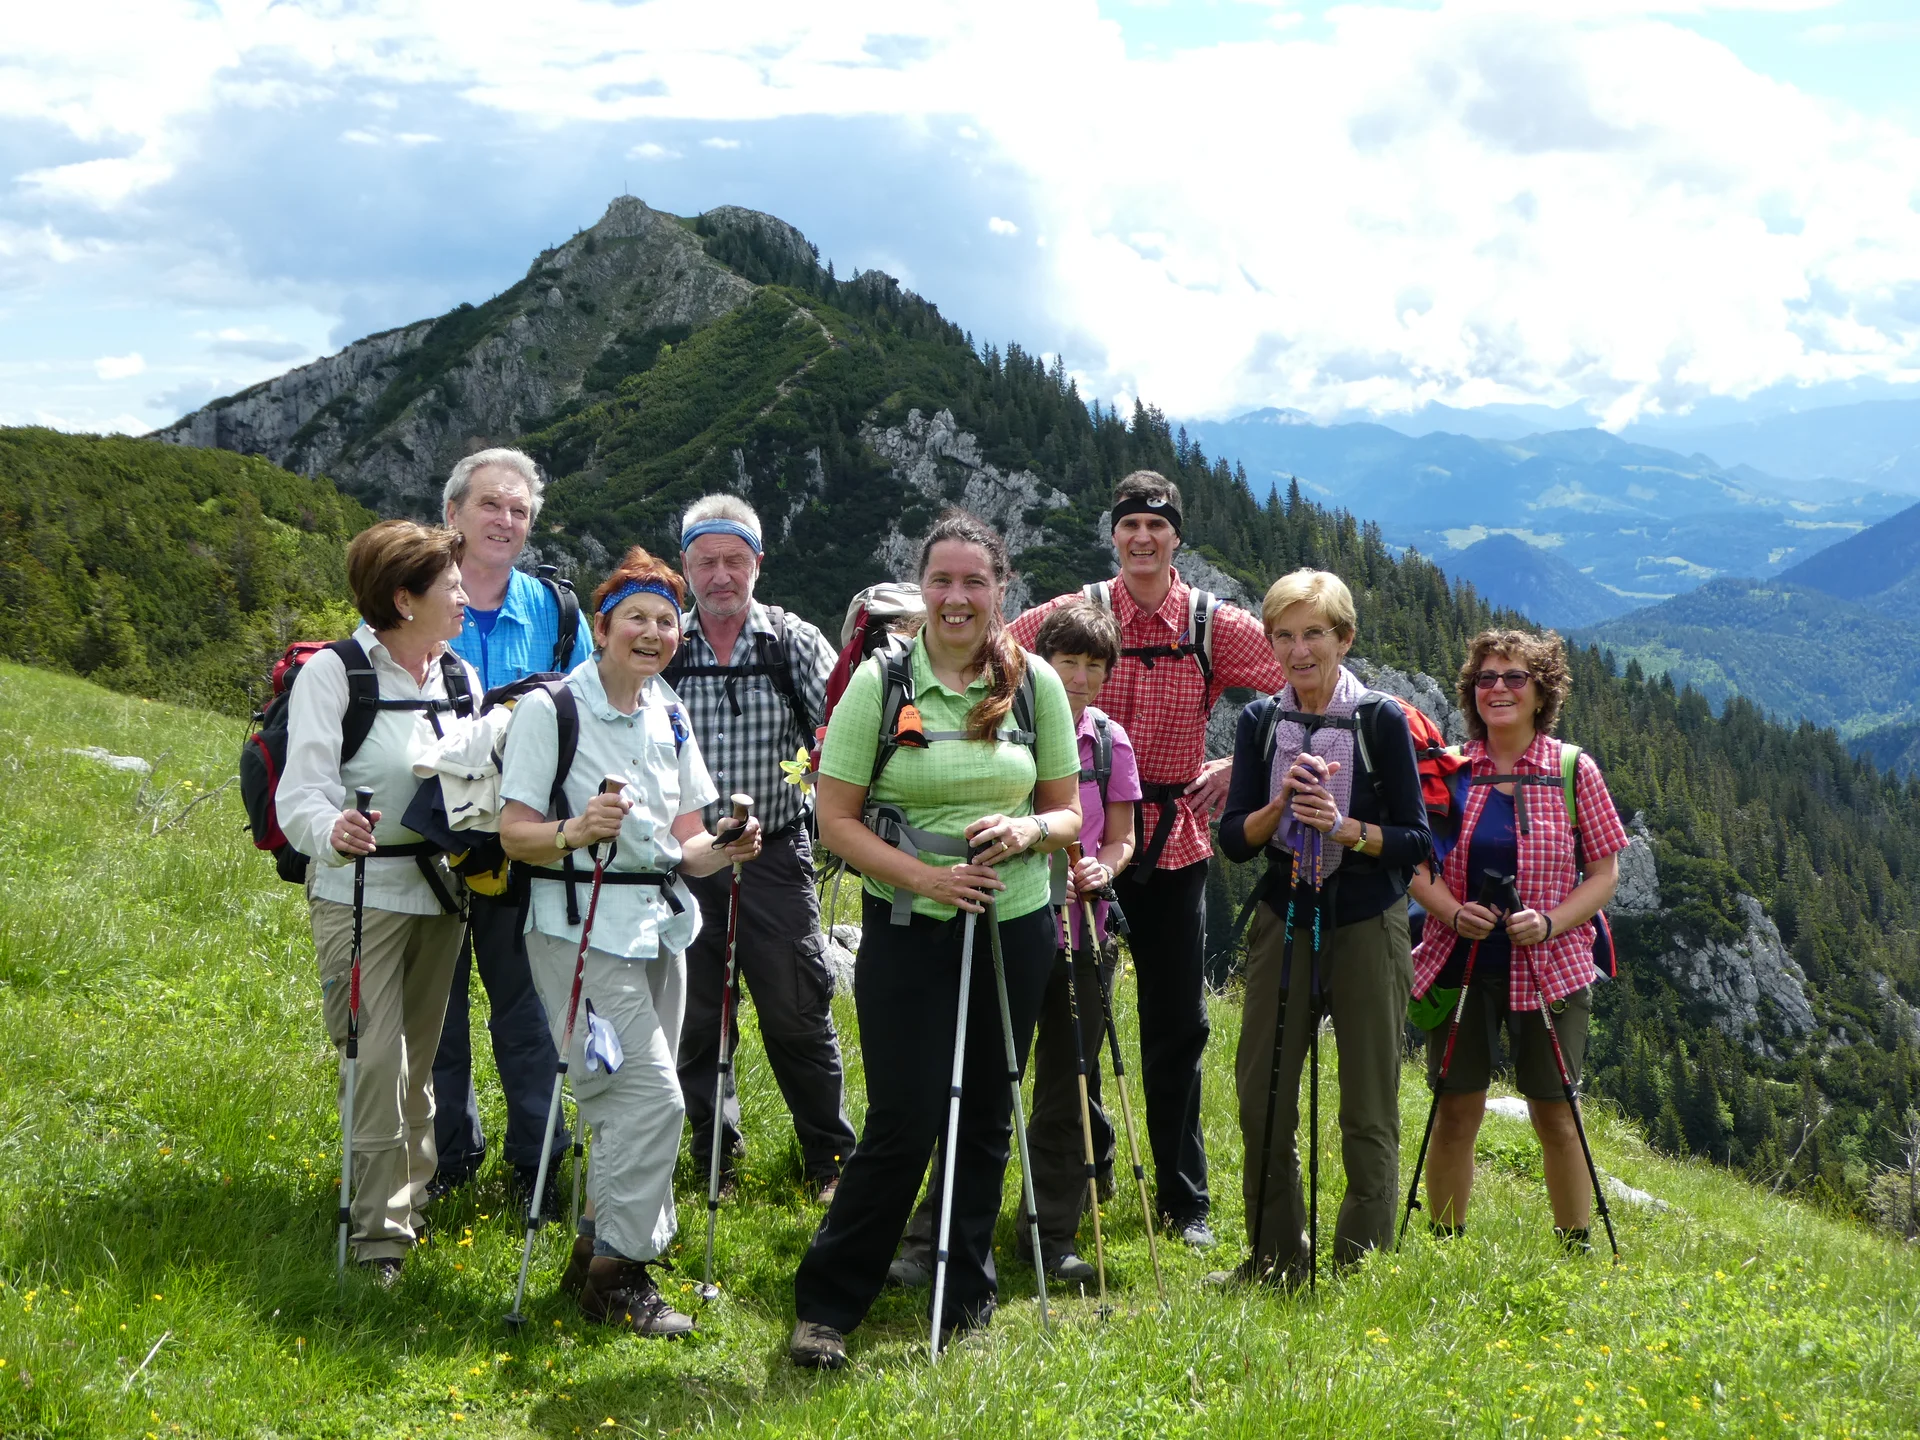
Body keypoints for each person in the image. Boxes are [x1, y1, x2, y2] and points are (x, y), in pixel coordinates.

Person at [787, 510, 1082, 1370]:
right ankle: (828, 1305)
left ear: (1002, 589)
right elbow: (833, 820)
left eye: (974, 582)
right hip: (910, 923)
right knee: (906, 1118)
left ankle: (966, 1298)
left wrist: (1029, 835)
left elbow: (1066, 809)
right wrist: (928, 879)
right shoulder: (880, 686)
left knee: (987, 1114)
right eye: (942, 582)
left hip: (1016, 922)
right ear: (922, 588)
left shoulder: (1036, 686)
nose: (957, 598)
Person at [1010, 470, 1283, 1248]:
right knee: (1070, 1022)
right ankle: (1079, 1171)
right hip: (1073, 843)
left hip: (1174, 842)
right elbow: (988, 657)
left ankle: (1184, 1201)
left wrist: (1240, 764)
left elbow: (1305, 686)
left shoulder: (1210, 622)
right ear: (1114, 533)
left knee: (1178, 1027)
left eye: (1156, 527)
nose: (1142, 538)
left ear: (1176, 537)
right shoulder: (1074, 615)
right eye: (1129, 525)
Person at [497, 545, 763, 1337]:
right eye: (636, 619)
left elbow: (687, 843)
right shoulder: (553, 710)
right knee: (650, 1099)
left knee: (618, 1099)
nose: (652, 633)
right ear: (603, 627)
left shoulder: (668, 711)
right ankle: (619, 1277)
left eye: (665, 622)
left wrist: (732, 845)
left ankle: (592, 1252)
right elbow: (515, 835)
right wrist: (579, 829)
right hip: (579, 931)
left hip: (660, 929)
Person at [887, 600, 1141, 1287]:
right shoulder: (1004, 723)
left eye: (1095, 665)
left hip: (1083, 931)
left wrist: (1105, 867)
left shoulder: (1112, 743)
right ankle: (930, 1233)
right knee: (971, 1082)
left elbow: (1121, 835)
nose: (1082, 678)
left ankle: (1049, 1235)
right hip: (1009, 919)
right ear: (1038, 666)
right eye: (1069, 663)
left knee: (1068, 1084)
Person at [1210, 569, 1431, 1286]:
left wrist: (1343, 828)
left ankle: (1360, 1267)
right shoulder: (1259, 722)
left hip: (1368, 919)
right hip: (1285, 913)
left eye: (1314, 634)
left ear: (1345, 638)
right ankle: (1275, 1260)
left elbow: (1415, 840)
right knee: (1263, 1093)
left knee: (1368, 1102)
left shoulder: (1380, 720)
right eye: (1284, 635)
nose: (1298, 651)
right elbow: (1235, 840)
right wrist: (1281, 807)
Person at [277, 519, 483, 1283]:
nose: (463, 595)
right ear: (404, 599)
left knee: (420, 1064)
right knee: (374, 1063)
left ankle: (410, 1206)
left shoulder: (458, 676)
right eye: (449, 585)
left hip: (441, 894)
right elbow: (298, 790)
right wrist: (334, 826)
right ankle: (376, 1242)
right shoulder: (336, 675)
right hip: (358, 893)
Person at [1407, 628, 1624, 1250]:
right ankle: (1446, 1242)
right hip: (1459, 961)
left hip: (1552, 965)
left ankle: (1573, 1245)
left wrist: (1551, 921)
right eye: (1485, 679)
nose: (1497, 689)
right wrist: (1451, 913)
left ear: (1541, 691)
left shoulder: (1572, 770)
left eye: (1514, 678)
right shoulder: (1449, 772)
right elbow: (1417, 868)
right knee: (1454, 1109)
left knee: (1557, 1114)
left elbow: (1604, 874)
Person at [666, 494, 856, 1202]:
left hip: (774, 853)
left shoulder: (792, 642)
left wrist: (818, 792)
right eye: (706, 561)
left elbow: (841, 731)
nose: (721, 575)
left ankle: (829, 1159)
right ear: (685, 566)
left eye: (735, 561)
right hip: (685, 862)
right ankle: (714, 1153)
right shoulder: (666, 644)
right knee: (694, 1018)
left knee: (797, 1009)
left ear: (758, 564)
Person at [429, 447, 596, 1209]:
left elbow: (594, 714)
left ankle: (540, 1168)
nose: (504, 521)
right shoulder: (414, 594)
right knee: (436, 1010)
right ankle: (447, 1157)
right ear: (453, 513)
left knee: (527, 1010)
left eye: (519, 511)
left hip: (525, 840)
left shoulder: (558, 614)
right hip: (428, 833)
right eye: (490, 505)